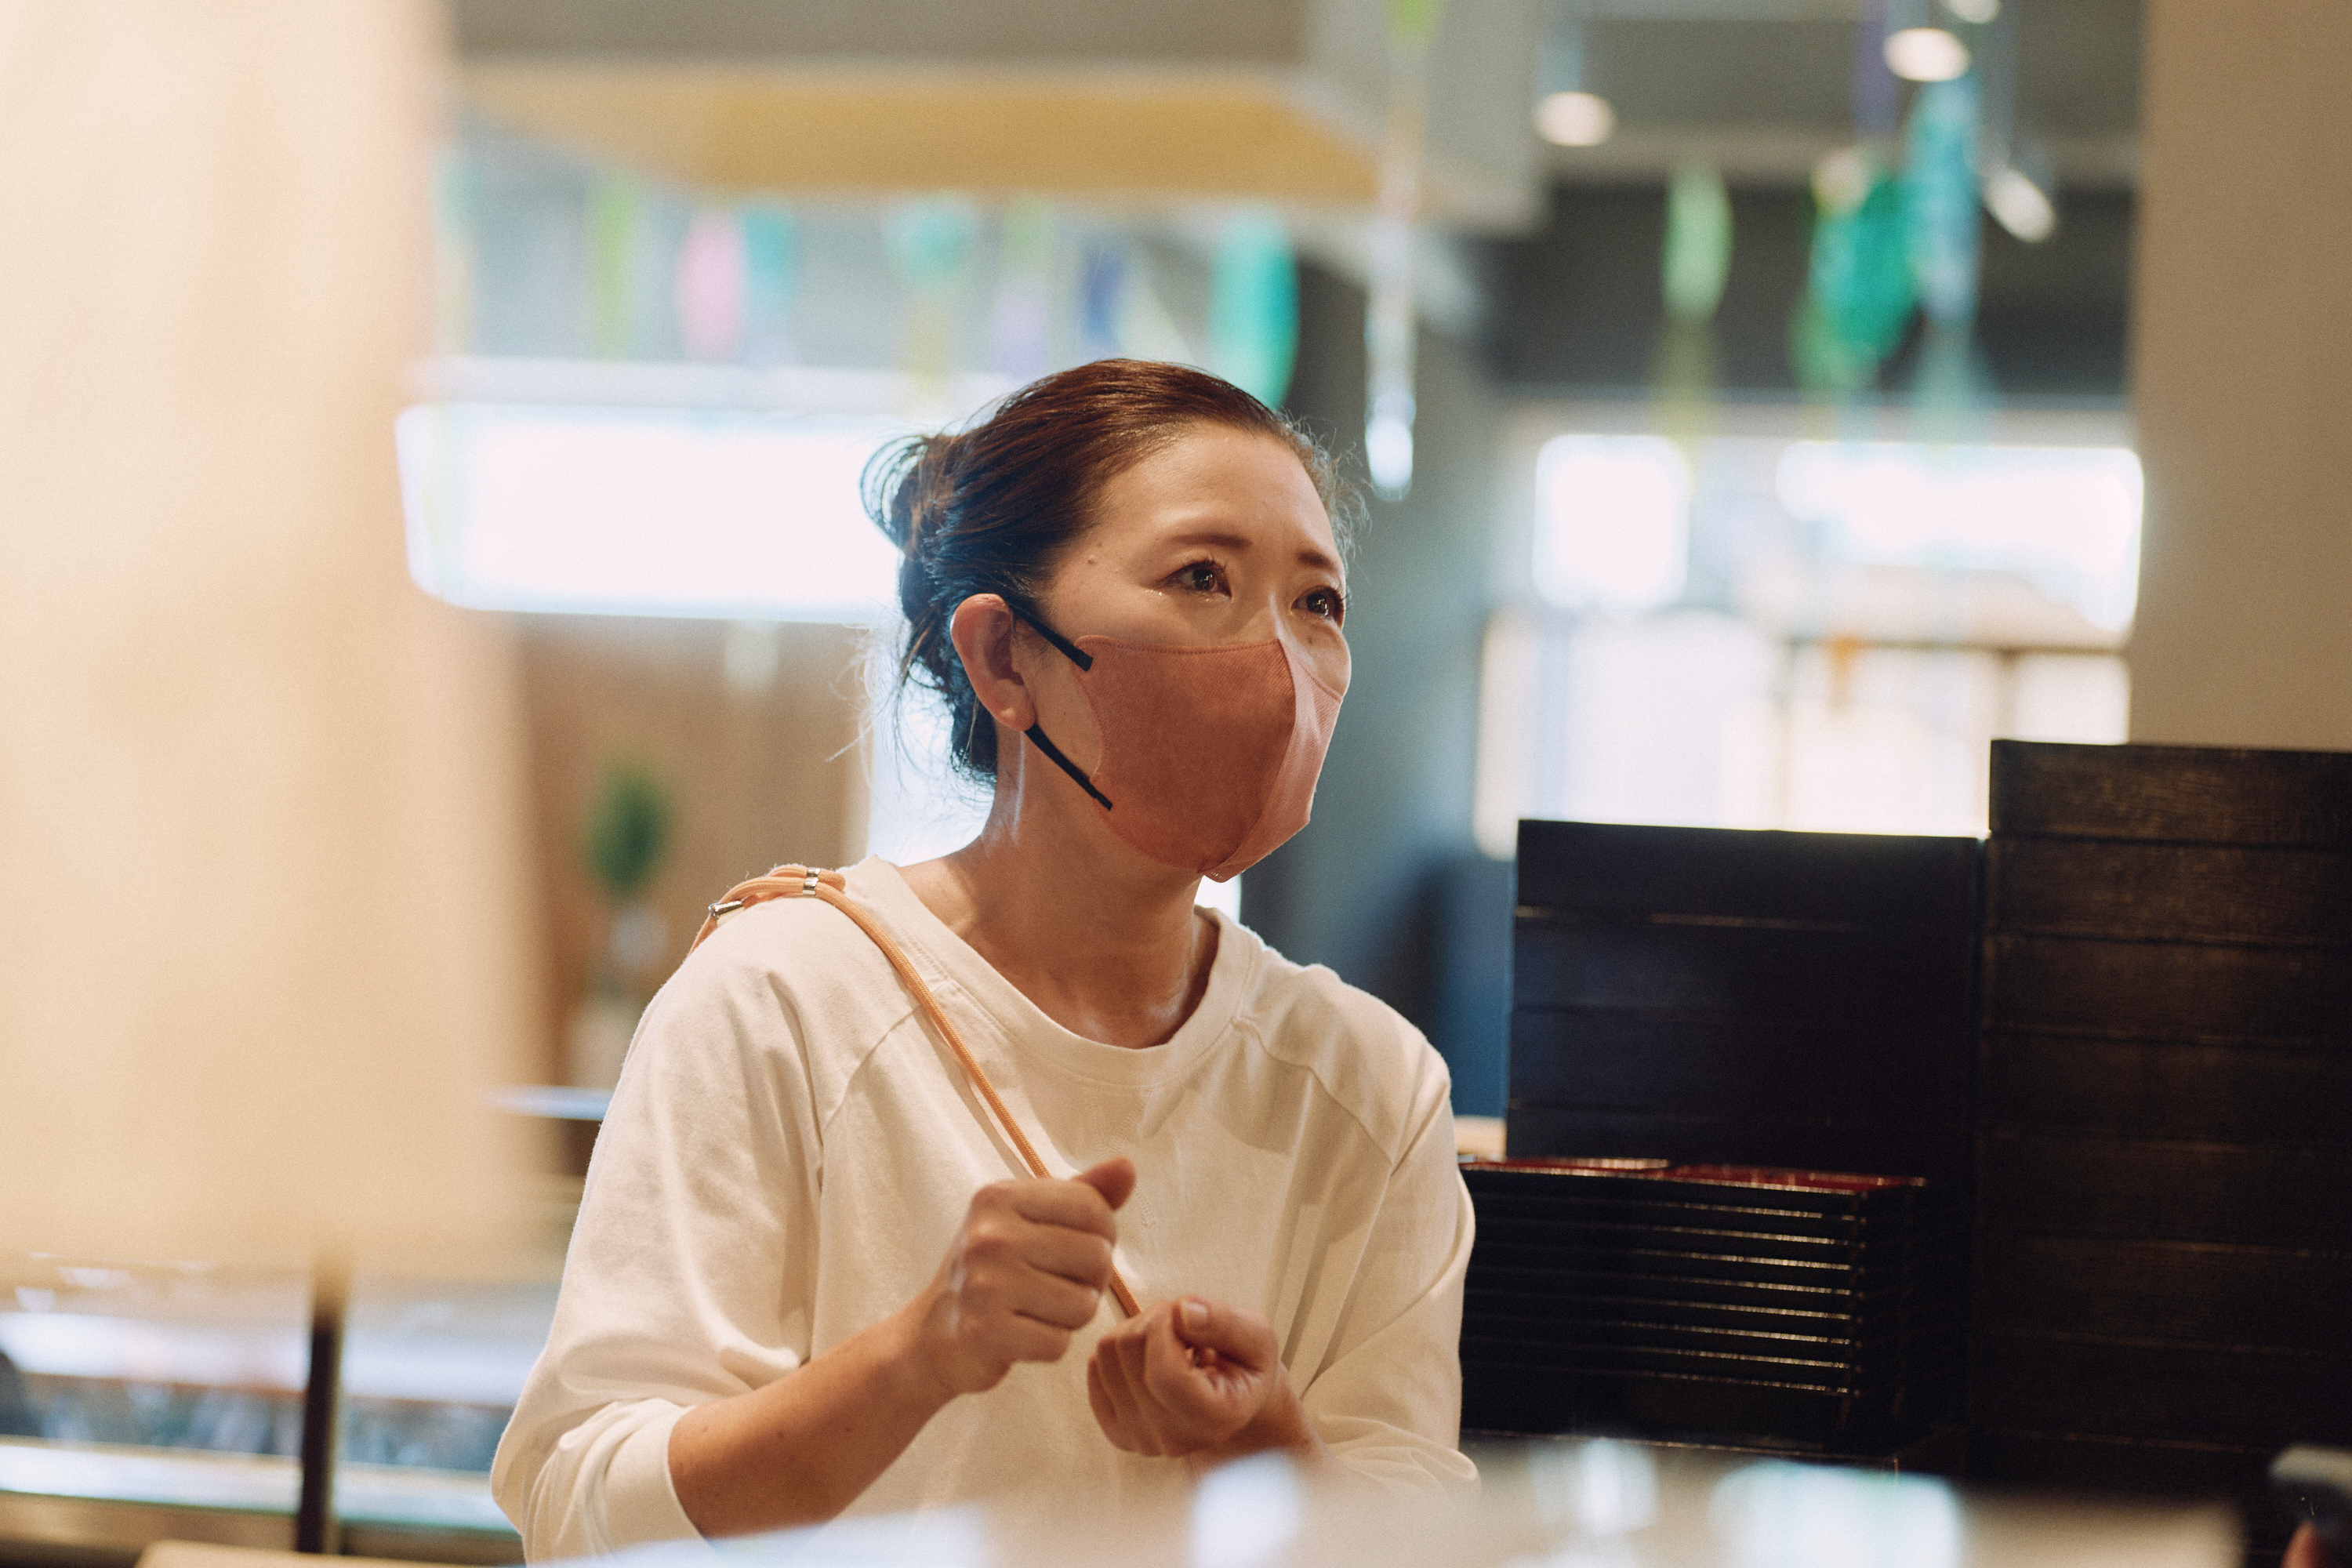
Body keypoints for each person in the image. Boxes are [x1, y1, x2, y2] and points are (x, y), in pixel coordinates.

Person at [492, 360, 1476, 1559]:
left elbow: (1418, 1540)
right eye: (1203, 578)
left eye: (1317, 603)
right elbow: (581, 1504)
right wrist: (921, 1354)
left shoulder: (1370, 1085)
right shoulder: (782, 999)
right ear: (1006, 658)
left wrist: (1256, 1438)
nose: (1279, 661)